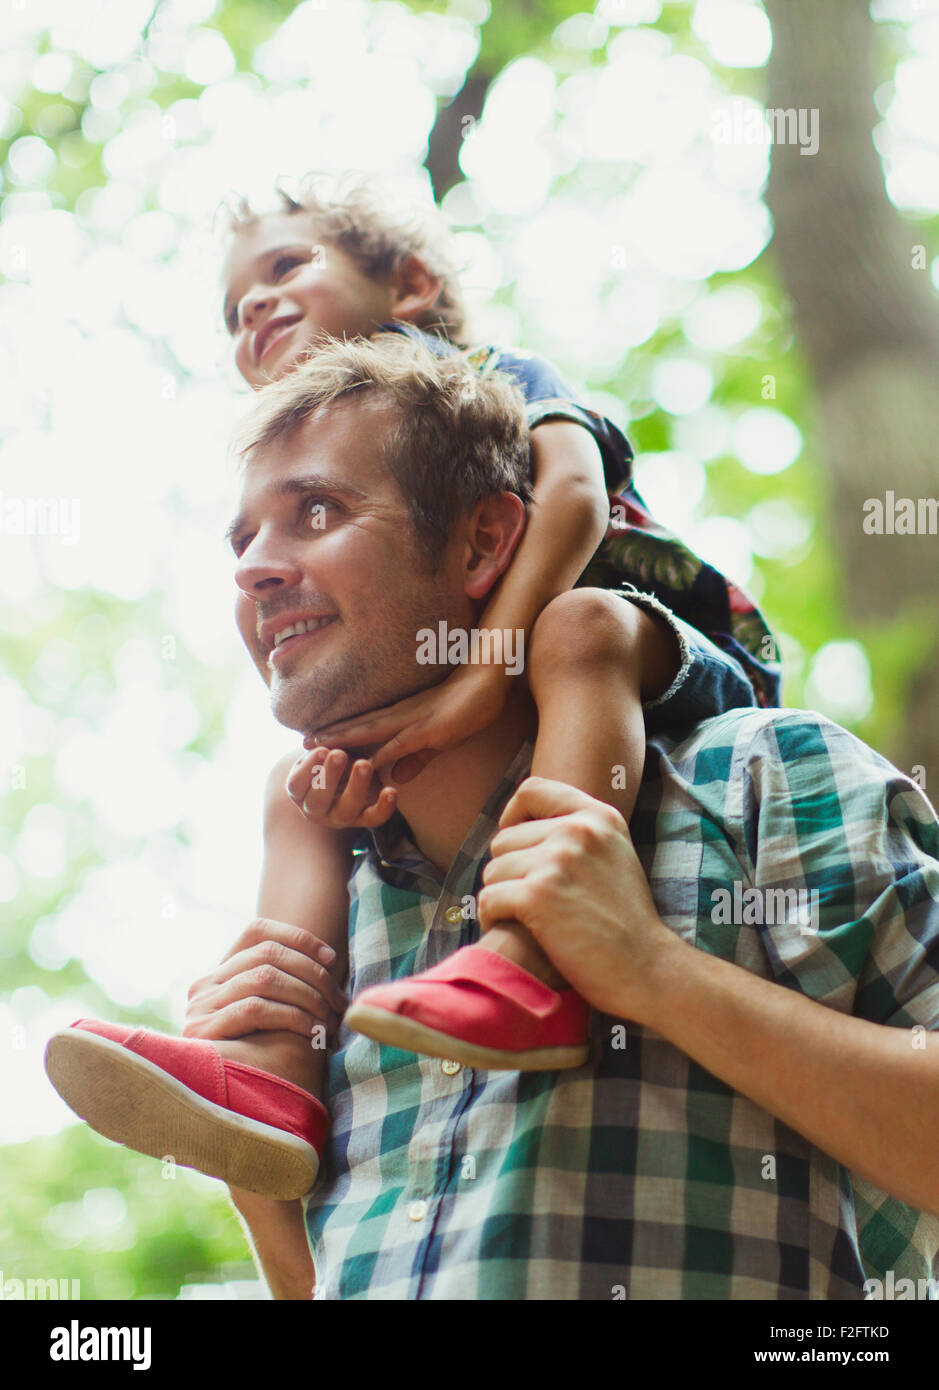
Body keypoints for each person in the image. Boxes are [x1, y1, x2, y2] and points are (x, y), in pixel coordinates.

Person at [44, 178, 778, 1203]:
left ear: (412, 285)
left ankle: (529, 957)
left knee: (575, 631)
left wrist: (481, 676)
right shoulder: (336, 441)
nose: (254, 305)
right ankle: (271, 1076)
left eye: (287, 267)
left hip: (646, 630)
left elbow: (567, 495)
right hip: (518, 661)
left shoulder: (488, 374)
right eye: (232, 308)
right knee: (290, 791)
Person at [196, 334, 939, 1299]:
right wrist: (259, 1183)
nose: (255, 568)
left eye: (318, 510)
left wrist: (653, 973)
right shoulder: (323, 920)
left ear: (483, 542)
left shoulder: (766, 785)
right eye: (241, 539)